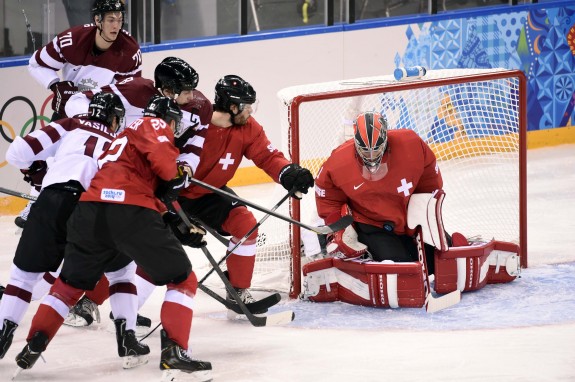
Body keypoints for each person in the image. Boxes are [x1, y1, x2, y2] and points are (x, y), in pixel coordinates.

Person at [13, 96, 212, 380]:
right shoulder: (153, 123)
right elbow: (166, 171)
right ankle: (174, 352)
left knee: (68, 286)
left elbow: (145, 184)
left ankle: (35, 342)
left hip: (90, 212)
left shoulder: (122, 138)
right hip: (128, 212)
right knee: (182, 279)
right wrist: (177, 175)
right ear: (168, 119)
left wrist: (172, 219)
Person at [137, 74, 315, 315]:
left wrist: (287, 172)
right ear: (232, 106)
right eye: (246, 106)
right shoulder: (195, 123)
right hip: (171, 194)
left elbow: (267, 156)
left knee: (246, 225)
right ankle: (122, 305)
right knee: (157, 250)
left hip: (211, 193)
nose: (251, 111)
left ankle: (238, 289)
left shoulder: (248, 128)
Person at [302, 111, 520, 307]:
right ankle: (354, 253)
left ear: (386, 139)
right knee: (402, 268)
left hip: (409, 216)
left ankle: (454, 245)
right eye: (364, 150)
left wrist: (425, 209)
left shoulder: (411, 144)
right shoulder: (337, 162)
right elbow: (327, 197)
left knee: (441, 259)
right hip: (372, 223)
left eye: (376, 148)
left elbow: (431, 181)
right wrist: (340, 228)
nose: (370, 156)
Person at [63, 56, 212, 328]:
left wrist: (185, 170)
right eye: (186, 90)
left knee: (130, 246)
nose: (193, 96)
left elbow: (195, 145)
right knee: (115, 244)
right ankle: (77, 297)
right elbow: (76, 101)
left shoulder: (201, 107)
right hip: (118, 177)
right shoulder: (134, 91)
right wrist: (101, 132)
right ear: (167, 90)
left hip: (155, 178)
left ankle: (109, 305)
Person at [0, 93, 129, 361]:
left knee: (23, 277)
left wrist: (38, 172)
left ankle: (3, 334)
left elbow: (17, 153)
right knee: (120, 272)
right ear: (115, 119)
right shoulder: (120, 142)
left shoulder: (70, 124)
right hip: (92, 210)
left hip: (52, 200)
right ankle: (126, 337)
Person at [15, 0, 142, 229]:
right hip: (67, 111)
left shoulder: (129, 50)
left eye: (119, 19)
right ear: (97, 20)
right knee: (47, 157)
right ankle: (36, 201)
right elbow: (35, 64)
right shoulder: (72, 40)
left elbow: (129, 90)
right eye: (110, 19)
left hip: (102, 116)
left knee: (96, 163)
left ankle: (96, 208)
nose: (116, 25)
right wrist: (56, 85)